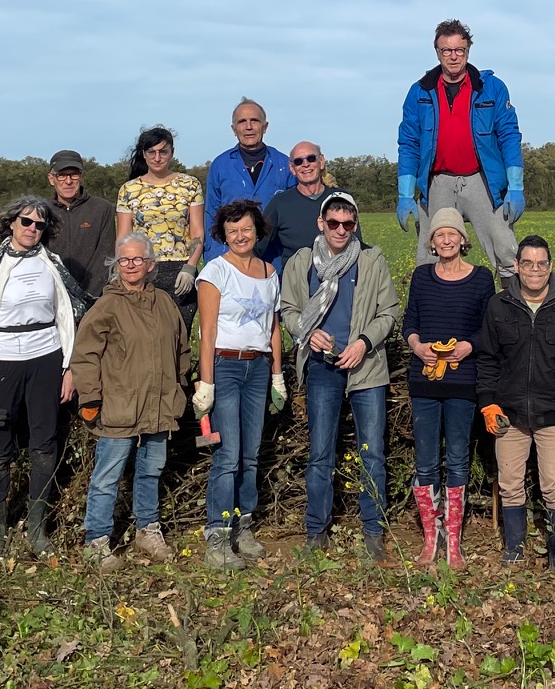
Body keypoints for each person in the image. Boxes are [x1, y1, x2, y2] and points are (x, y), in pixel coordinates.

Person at [0, 197, 89, 560]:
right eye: (26, 221)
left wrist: (70, 368)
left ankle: (37, 530)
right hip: (1, 363)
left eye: (40, 224)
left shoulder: (54, 265)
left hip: (47, 360)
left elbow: (68, 317)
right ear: (10, 223)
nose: (33, 229)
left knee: (45, 445)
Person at [280, 191, 400, 561]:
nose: (341, 229)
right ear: (321, 223)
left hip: (365, 368)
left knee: (373, 453)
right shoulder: (303, 262)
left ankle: (373, 531)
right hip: (321, 367)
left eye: (348, 223)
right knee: (321, 453)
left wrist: (364, 343)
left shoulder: (370, 260)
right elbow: (288, 309)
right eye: (333, 222)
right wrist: (306, 331)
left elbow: (390, 311)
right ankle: (316, 531)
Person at [73, 235, 192, 568]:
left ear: (151, 265)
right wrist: (91, 397)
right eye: (124, 260)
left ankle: (147, 530)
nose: (130, 266)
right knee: (107, 476)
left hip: (159, 406)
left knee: (151, 472)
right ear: (116, 266)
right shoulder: (107, 305)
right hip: (119, 407)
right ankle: (96, 541)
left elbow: (181, 348)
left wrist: (180, 387)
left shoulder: (165, 303)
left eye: (137, 260)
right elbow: (85, 355)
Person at [475, 235, 555, 569]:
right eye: (527, 263)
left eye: (541, 263)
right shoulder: (498, 306)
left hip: (553, 414)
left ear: (550, 267)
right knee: (509, 484)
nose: (535, 270)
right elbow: (487, 360)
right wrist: (488, 404)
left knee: (554, 485)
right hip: (509, 413)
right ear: (517, 267)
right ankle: (515, 548)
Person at [401, 209, 498, 568]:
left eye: (451, 234)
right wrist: (416, 346)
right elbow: (410, 319)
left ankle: (453, 542)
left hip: (463, 380)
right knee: (426, 462)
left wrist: (469, 346)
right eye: (439, 235)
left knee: (458, 458)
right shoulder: (422, 277)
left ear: (462, 239)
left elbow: (488, 326)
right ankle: (431, 539)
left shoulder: (481, 278)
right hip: (423, 380)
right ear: (431, 242)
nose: (445, 240)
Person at [193, 199, 285, 570]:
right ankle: (217, 534)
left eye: (246, 229)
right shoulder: (215, 272)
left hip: (258, 367)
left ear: (257, 230)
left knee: (251, 453)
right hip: (226, 366)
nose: (240, 236)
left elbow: (274, 327)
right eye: (233, 231)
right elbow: (208, 330)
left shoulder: (268, 272)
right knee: (227, 455)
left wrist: (277, 374)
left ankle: (242, 526)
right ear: (223, 235)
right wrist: (206, 383)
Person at [395, 19, 525, 282]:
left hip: (481, 179)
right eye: (446, 50)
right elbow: (408, 143)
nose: (453, 56)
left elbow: (509, 136)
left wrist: (516, 186)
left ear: (468, 51)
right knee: (431, 251)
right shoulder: (419, 92)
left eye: (459, 50)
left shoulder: (492, 87)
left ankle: (515, 313)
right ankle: (428, 316)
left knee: (505, 247)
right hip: (438, 181)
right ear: (437, 52)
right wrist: (405, 194)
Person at [114, 125, 204, 322]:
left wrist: (190, 267)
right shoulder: (129, 189)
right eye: (151, 152)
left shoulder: (190, 185)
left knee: (179, 333)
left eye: (163, 151)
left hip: (180, 271)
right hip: (142, 269)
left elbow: (197, 231)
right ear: (144, 155)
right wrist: (121, 269)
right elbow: (123, 236)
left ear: (172, 153)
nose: (157, 157)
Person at [202, 101, 294, 266]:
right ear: (234, 129)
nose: (249, 126)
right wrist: (216, 260)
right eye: (242, 122)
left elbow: (292, 219)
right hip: (231, 260)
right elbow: (211, 217)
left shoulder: (284, 165)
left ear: (265, 127)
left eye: (255, 120)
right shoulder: (220, 165)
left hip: (274, 261)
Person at [46, 150, 117, 302]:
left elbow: (105, 255)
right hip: (52, 298)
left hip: (94, 298)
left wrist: (86, 296)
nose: (68, 181)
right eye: (62, 175)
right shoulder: (41, 211)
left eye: (74, 174)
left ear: (82, 176)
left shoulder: (102, 209)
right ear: (51, 179)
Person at [264, 143, 337, 262]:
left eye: (311, 158)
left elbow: (357, 245)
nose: (306, 164)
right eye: (298, 162)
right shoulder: (280, 203)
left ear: (321, 161)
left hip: (337, 276)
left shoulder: (340, 198)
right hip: (295, 278)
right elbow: (258, 245)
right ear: (292, 168)